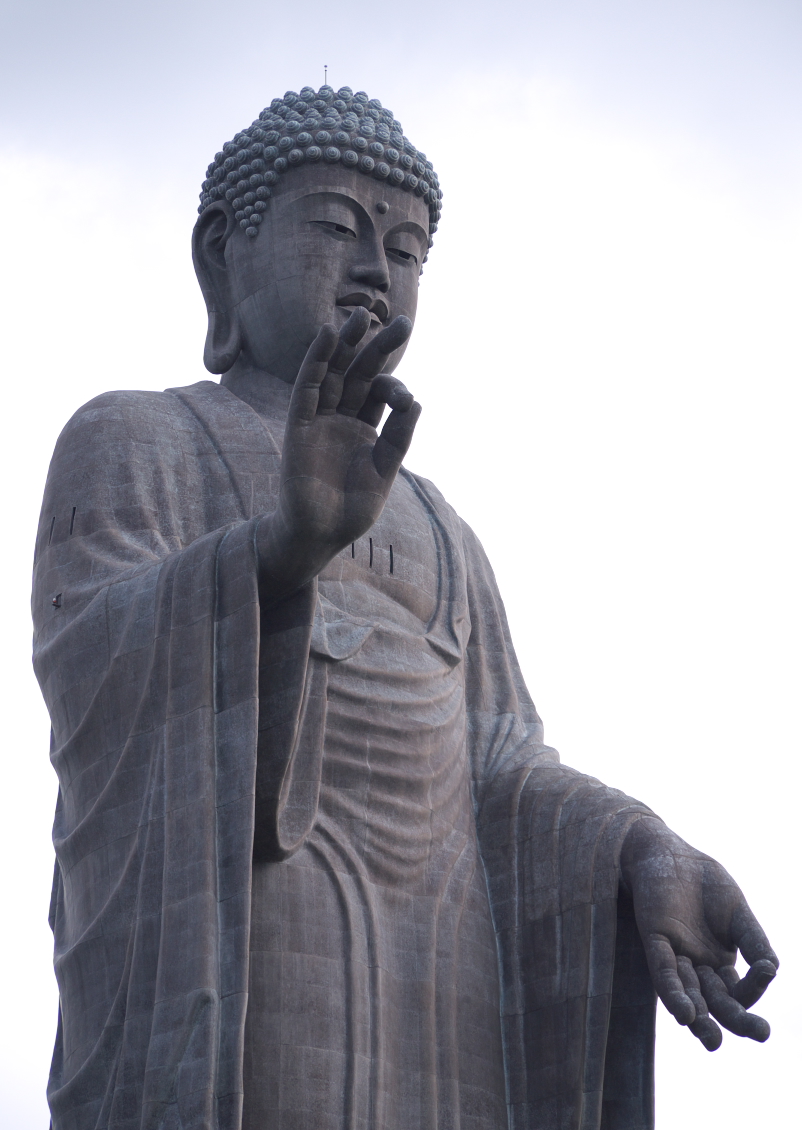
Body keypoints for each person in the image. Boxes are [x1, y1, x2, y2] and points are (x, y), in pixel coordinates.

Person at [33, 85, 778, 1130]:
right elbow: (93, 663)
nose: (375, 271)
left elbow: (504, 766)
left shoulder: (443, 528)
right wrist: (282, 552)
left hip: (444, 966)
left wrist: (635, 846)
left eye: (407, 250)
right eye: (336, 228)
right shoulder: (139, 439)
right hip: (251, 950)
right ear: (221, 257)